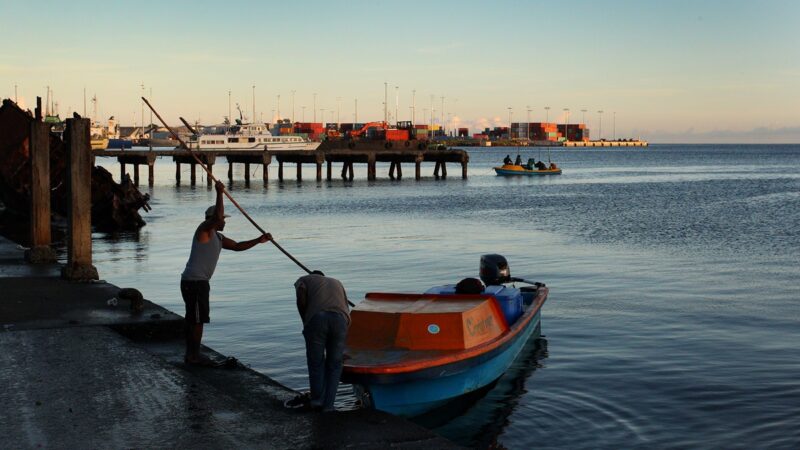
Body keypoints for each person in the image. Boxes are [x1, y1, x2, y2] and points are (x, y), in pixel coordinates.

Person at [180, 180, 271, 366]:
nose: (224, 222)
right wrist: (220, 193)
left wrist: (259, 240)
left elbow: (237, 246)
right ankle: (193, 356)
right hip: (194, 282)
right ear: (213, 219)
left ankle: (192, 354)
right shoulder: (204, 231)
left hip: (198, 282)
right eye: (222, 219)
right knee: (197, 321)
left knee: (196, 319)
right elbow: (215, 219)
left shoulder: (218, 238)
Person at [294, 271, 351, 412]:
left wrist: (305, 322)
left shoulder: (304, 279)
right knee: (335, 365)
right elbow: (346, 307)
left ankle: (317, 401)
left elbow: (301, 298)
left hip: (317, 318)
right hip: (341, 320)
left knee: (316, 362)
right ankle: (329, 406)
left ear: (313, 275)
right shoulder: (337, 282)